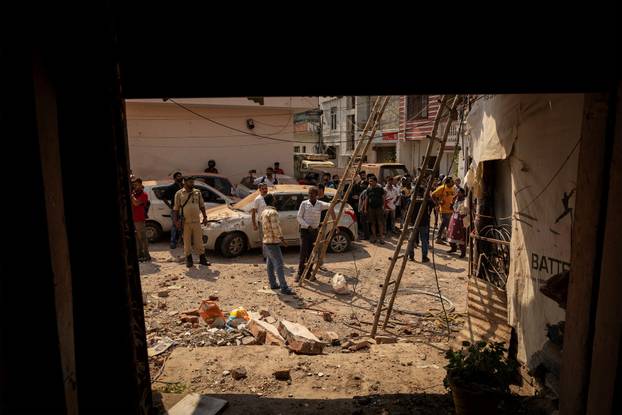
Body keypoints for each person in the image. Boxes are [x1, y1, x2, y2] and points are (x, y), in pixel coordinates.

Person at [296, 186, 337, 282]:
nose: (310, 195)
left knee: (312, 253)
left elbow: (330, 205)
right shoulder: (304, 204)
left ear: (316, 195)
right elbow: (299, 217)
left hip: (314, 231)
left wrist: (336, 201)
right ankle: (299, 273)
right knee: (303, 252)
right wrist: (307, 226)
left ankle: (308, 272)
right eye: (309, 194)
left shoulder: (320, 204)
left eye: (312, 194)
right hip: (305, 231)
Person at [260, 193, 294, 295]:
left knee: (270, 264)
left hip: (266, 242)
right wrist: (283, 240)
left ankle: (273, 283)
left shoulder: (264, 212)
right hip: (273, 242)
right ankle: (284, 287)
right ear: (273, 200)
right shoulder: (273, 212)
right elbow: (276, 229)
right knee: (279, 265)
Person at [173, 177, 210, 268]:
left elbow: (202, 206)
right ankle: (189, 260)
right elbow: (176, 209)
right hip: (185, 222)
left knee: (199, 241)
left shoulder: (197, 192)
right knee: (187, 241)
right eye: (190, 182)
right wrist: (176, 221)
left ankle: (202, 258)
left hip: (196, 221)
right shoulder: (179, 194)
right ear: (185, 182)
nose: (192, 183)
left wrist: (205, 217)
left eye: (193, 182)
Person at [406, 185, 432, 263]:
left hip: (413, 222)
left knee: (411, 240)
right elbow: (433, 204)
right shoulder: (426, 200)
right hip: (423, 223)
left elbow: (407, 209)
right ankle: (424, 257)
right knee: (424, 240)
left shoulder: (411, 200)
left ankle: (411, 255)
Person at [131, 178, 151, 262]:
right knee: (137, 239)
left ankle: (146, 255)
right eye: (134, 185)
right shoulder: (135, 194)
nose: (135, 186)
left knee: (142, 238)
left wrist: (131, 195)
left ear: (140, 184)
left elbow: (136, 203)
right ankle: (140, 255)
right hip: (134, 219)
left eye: (136, 185)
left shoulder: (144, 194)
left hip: (139, 219)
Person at [431, 176, 455, 244]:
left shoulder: (452, 188)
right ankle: (452, 241)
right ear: (447, 182)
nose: (453, 183)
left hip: (451, 210)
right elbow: (433, 195)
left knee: (443, 224)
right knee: (448, 225)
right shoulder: (442, 188)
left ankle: (438, 238)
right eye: (451, 182)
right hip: (444, 210)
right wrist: (438, 202)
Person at [164, 171, 184, 249]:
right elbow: (164, 197)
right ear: (175, 178)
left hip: (183, 209)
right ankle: (173, 242)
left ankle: (181, 241)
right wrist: (170, 206)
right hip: (175, 209)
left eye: (181, 176)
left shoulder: (184, 187)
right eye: (179, 176)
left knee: (182, 226)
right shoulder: (171, 187)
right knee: (174, 226)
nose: (180, 177)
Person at [363, 176, 386, 244]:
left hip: (379, 208)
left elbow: (383, 198)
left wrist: (383, 207)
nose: (370, 182)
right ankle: (374, 237)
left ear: (375, 181)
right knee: (372, 223)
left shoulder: (380, 189)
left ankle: (381, 238)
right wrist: (365, 208)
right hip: (371, 208)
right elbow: (366, 199)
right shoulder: (368, 189)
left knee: (380, 223)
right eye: (369, 181)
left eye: (371, 181)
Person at [447, 188, 467, 258]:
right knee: (451, 234)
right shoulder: (455, 199)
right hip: (454, 218)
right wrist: (452, 201)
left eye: (459, 192)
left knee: (461, 236)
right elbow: (451, 208)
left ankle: (463, 252)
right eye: (457, 192)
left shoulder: (465, 201)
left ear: (462, 193)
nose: (457, 194)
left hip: (461, 220)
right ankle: (453, 248)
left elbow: (466, 210)